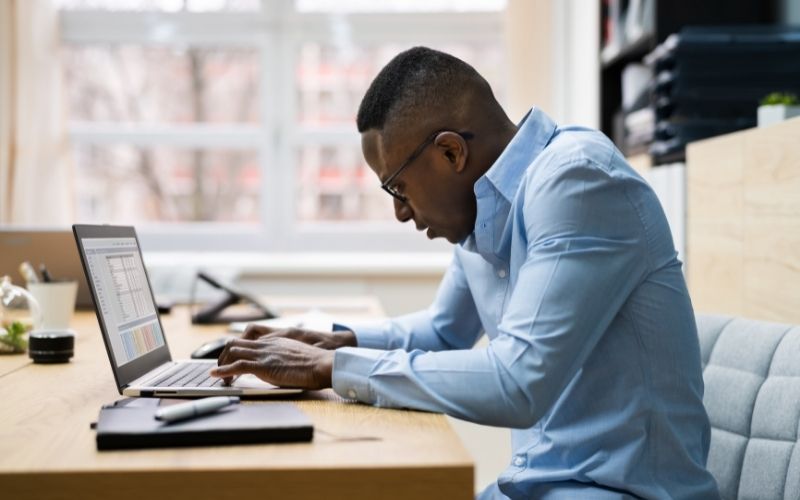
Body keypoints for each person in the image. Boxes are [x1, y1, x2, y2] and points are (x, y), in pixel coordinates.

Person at [211, 47, 720, 499]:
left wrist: (335, 369)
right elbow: (443, 332)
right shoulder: (485, 210)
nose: (401, 214)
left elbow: (517, 382)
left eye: (397, 188)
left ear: (451, 151)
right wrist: (331, 343)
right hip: (538, 486)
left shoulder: (576, 182)